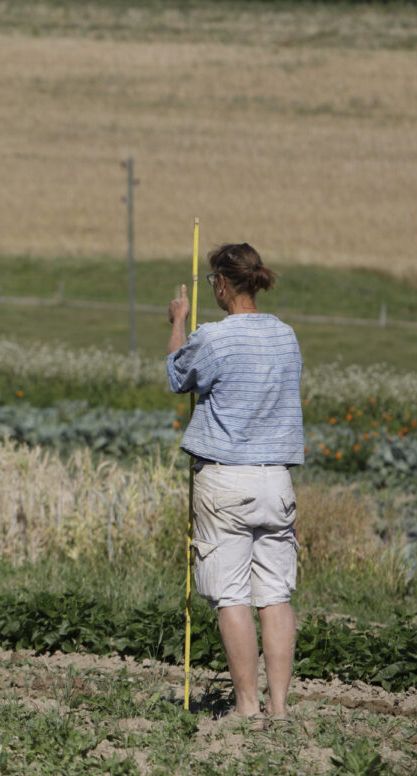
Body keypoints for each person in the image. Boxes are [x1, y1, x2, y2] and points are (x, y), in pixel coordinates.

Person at [166, 243, 303, 728]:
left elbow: (177, 375)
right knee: (276, 595)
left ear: (222, 285)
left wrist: (179, 320)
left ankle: (247, 710)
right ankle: (280, 709)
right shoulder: (286, 337)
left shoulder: (216, 337)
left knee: (231, 595)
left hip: (227, 480)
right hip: (278, 481)